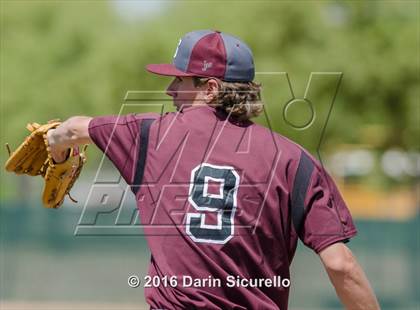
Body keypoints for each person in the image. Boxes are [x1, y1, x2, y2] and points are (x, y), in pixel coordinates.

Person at [46, 30, 380, 309]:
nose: (170, 90)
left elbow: (74, 129)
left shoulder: (149, 134)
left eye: (180, 79)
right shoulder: (295, 160)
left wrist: (57, 146)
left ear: (210, 88)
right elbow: (340, 264)